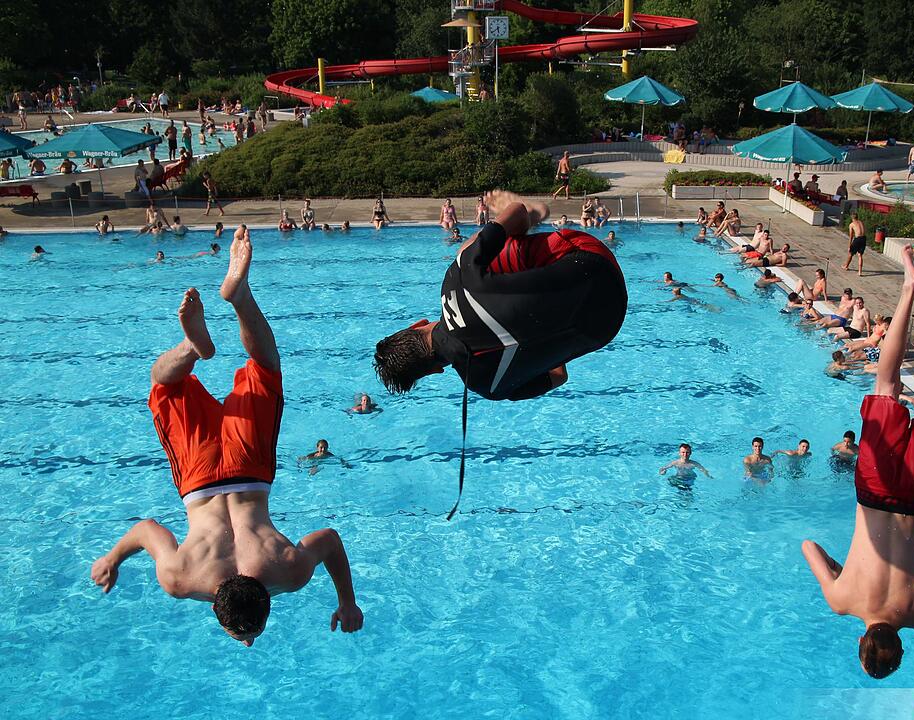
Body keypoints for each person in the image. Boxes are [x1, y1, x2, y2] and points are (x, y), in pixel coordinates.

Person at [90, 226, 364, 646]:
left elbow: (328, 540)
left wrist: (348, 602)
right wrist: (113, 558)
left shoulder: (288, 571)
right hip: (197, 480)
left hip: (251, 471)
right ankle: (189, 348)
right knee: (163, 386)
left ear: (266, 602)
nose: (248, 641)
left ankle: (240, 297)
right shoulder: (181, 579)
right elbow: (146, 530)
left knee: (266, 369)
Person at [802, 248, 914, 679]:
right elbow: (809, 547)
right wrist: (843, 571)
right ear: (861, 644)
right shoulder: (841, 601)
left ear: (900, 647)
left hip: (913, 499)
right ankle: (910, 287)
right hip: (873, 491)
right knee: (886, 386)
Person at [373, 190, 627, 402]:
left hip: (607, 322)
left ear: (434, 372)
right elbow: (516, 210)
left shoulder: (487, 387)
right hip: (592, 260)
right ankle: (525, 220)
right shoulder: (454, 281)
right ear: (416, 324)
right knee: (467, 253)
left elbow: (559, 376)